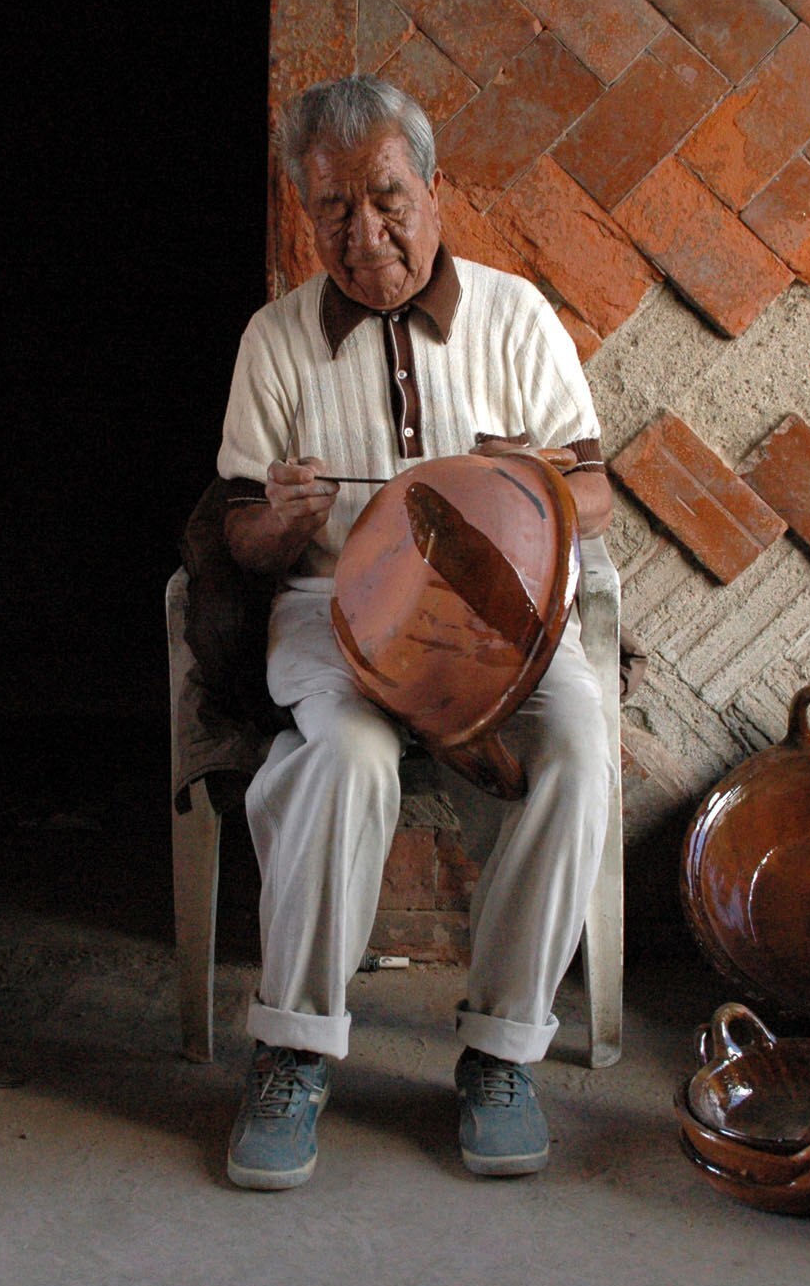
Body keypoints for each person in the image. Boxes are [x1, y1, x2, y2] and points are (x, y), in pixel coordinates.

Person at [215, 73, 615, 1190]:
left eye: (386, 197)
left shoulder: (514, 314)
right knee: (340, 756)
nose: (364, 232)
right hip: (329, 611)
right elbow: (241, 531)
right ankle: (292, 1046)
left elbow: (594, 488)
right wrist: (278, 521)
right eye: (332, 208)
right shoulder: (275, 341)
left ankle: (500, 1052)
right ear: (306, 211)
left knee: (579, 752)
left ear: (434, 190)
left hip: (504, 615)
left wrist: (511, 495)